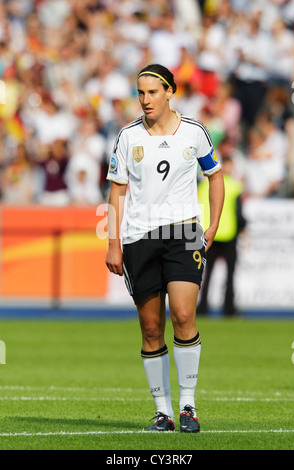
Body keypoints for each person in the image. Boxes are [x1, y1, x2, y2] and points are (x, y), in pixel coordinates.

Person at [105, 64, 224, 433]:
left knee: (184, 315)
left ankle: (188, 406)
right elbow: (117, 189)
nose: (145, 100)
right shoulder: (127, 136)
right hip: (138, 236)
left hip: (186, 231)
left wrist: (214, 223)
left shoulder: (194, 132)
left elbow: (215, 176)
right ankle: (163, 412)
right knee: (151, 327)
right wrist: (113, 242)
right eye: (140, 93)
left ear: (170, 91)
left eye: (152, 92)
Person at [197, 140, 246, 317]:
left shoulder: (204, 185)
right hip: (229, 234)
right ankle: (229, 309)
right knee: (230, 275)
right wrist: (243, 229)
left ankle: (202, 308)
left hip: (209, 233)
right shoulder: (234, 186)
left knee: (206, 274)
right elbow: (238, 212)